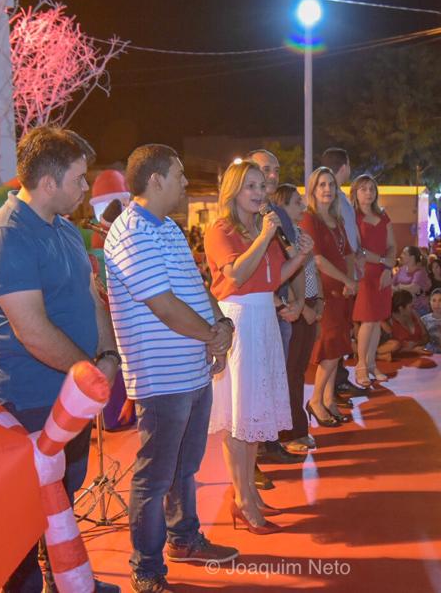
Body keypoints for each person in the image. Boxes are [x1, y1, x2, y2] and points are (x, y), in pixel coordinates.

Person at [0, 127, 120, 593]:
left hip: (69, 394)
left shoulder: (65, 230)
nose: (85, 188)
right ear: (49, 182)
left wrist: (107, 354)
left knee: (63, 497)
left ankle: (64, 580)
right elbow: (32, 330)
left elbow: (90, 299)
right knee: (23, 519)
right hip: (26, 401)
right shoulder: (8, 236)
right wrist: (90, 373)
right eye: (78, 179)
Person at [104, 144, 239, 592]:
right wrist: (212, 335)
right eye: (179, 174)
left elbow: (195, 288)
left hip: (192, 370)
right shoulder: (130, 232)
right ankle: (146, 567)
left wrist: (221, 325)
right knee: (155, 476)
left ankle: (184, 537)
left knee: (184, 467)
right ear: (155, 179)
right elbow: (162, 306)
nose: (185, 182)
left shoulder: (169, 229)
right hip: (162, 378)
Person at [204, 161, 313, 535]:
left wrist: (300, 257)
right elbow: (235, 274)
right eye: (249, 186)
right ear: (233, 191)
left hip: (264, 317)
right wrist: (265, 237)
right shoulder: (221, 230)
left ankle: (249, 492)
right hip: (239, 320)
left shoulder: (260, 227)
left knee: (252, 416)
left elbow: (273, 278)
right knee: (238, 417)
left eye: (261, 186)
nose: (258, 192)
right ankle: (243, 499)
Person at [247, 149, 306, 467]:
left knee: (274, 381)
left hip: (281, 311)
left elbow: (293, 259)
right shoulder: (241, 215)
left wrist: (298, 302)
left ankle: (269, 443)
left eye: (275, 170)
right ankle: (249, 461)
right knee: (252, 387)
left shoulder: (279, 214)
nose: (272, 176)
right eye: (265, 169)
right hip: (253, 311)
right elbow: (240, 272)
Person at [299, 167, 356, 427]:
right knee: (330, 349)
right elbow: (319, 259)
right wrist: (347, 280)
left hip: (343, 292)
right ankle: (315, 400)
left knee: (339, 347)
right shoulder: (309, 219)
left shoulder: (337, 219)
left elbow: (348, 254)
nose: (327, 189)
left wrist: (350, 281)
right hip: (325, 293)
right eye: (321, 184)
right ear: (313, 189)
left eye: (331, 184)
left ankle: (329, 398)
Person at [270, 184, 323, 455]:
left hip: (308, 305)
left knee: (298, 371)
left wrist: (319, 301)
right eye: (296, 203)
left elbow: (312, 272)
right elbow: (286, 278)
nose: (303, 206)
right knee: (290, 373)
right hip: (295, 310)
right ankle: (290, 431)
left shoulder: (300, 235)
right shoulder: (279, 238)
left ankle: (298, 427)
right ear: (281, 206)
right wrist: (303, 308)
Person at [319, 147, 367, 399]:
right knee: (335, 334)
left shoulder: (340, 199)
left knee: (341, 331)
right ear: (345, 166)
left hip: (343, 273)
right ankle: (333, 387)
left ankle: (335, 385)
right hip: (337, 276)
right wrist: (348, 276)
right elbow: (341, 244)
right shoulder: (334, 200)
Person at [350, 174, 395, 386]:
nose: (368, 193)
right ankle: (360, 365)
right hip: (365, 274)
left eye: (371, 188)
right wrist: (382, 260)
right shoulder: (353, 217)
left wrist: (387, 267)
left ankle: (371, 363)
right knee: (367, 320)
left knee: (377, 320)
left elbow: (392, 245)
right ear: (355, 193)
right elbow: (359, 251)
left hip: (383, 273)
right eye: (363, 189)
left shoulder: (383, 215)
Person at [378, 289, 431, 359]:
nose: (413, 308)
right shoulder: (389, 321)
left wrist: (416, 344)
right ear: (401, 308)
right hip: (400, 358)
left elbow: (426, 336)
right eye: (411, 306)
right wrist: (411, 350)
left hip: (418, 354)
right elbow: (389, 348)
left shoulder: (414, 314)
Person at [393, 245, 431, 315]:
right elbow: (391, 284)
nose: (401, 255)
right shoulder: (401, 269)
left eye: (404, 253)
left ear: (412, 257)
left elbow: (414, 288)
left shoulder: (420, 272)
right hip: (403, 308)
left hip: (418, 308)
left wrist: (399, 287)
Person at [421, 288, 441, 354]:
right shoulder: (423, 320)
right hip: (427, 353)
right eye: (434, 300)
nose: (436, 304)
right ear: (429, 301)